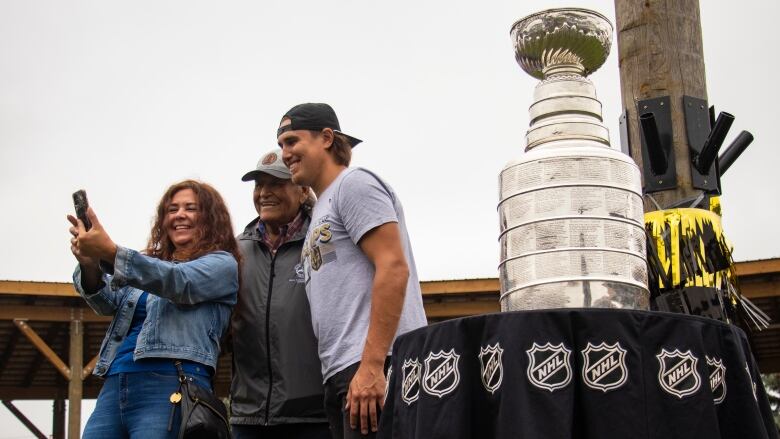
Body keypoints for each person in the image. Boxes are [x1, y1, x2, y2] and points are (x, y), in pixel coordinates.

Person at [277, 103, 427, 438]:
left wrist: (373, 365)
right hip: (343, 372)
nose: (285, 154)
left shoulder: (354, 185)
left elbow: (393, 267)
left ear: (326, 138)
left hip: (378, 363)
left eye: (292, 141)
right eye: (281, 145)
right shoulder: (320, 209)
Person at [67, 180, 239, 439]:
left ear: (211, 217)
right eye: (172, 209)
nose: (179, 214)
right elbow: (105, 302)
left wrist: (111, 253)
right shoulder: (146, 264)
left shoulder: (222, 264)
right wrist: (91, 263)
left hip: (172, 381)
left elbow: (179, 282)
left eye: (190, 208)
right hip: (115, 381)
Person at [230, 150, 330, 438]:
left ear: (301, 191)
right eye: (259, 185)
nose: (264, 193)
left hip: (313, 417)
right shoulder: (236, 251)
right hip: (248, 418)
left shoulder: (323, 241)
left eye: (276, 184)